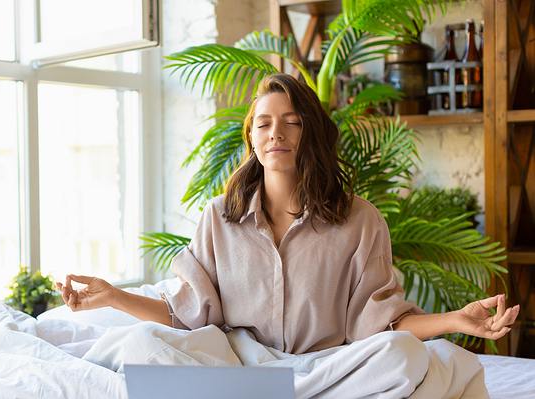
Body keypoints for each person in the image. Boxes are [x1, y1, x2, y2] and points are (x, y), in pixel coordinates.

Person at [55, 73, 518, 357]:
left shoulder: (360, 221)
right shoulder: (218, 218)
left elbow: (382, 325)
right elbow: (188, 317)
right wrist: (114, 296)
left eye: (292, 121)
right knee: (143, 349)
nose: (277, 132)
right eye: (264, 123)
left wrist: (456, 319)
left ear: (310, 132)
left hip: (329, 371)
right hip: (243, 371)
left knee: (405, 360)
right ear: (252, 138)